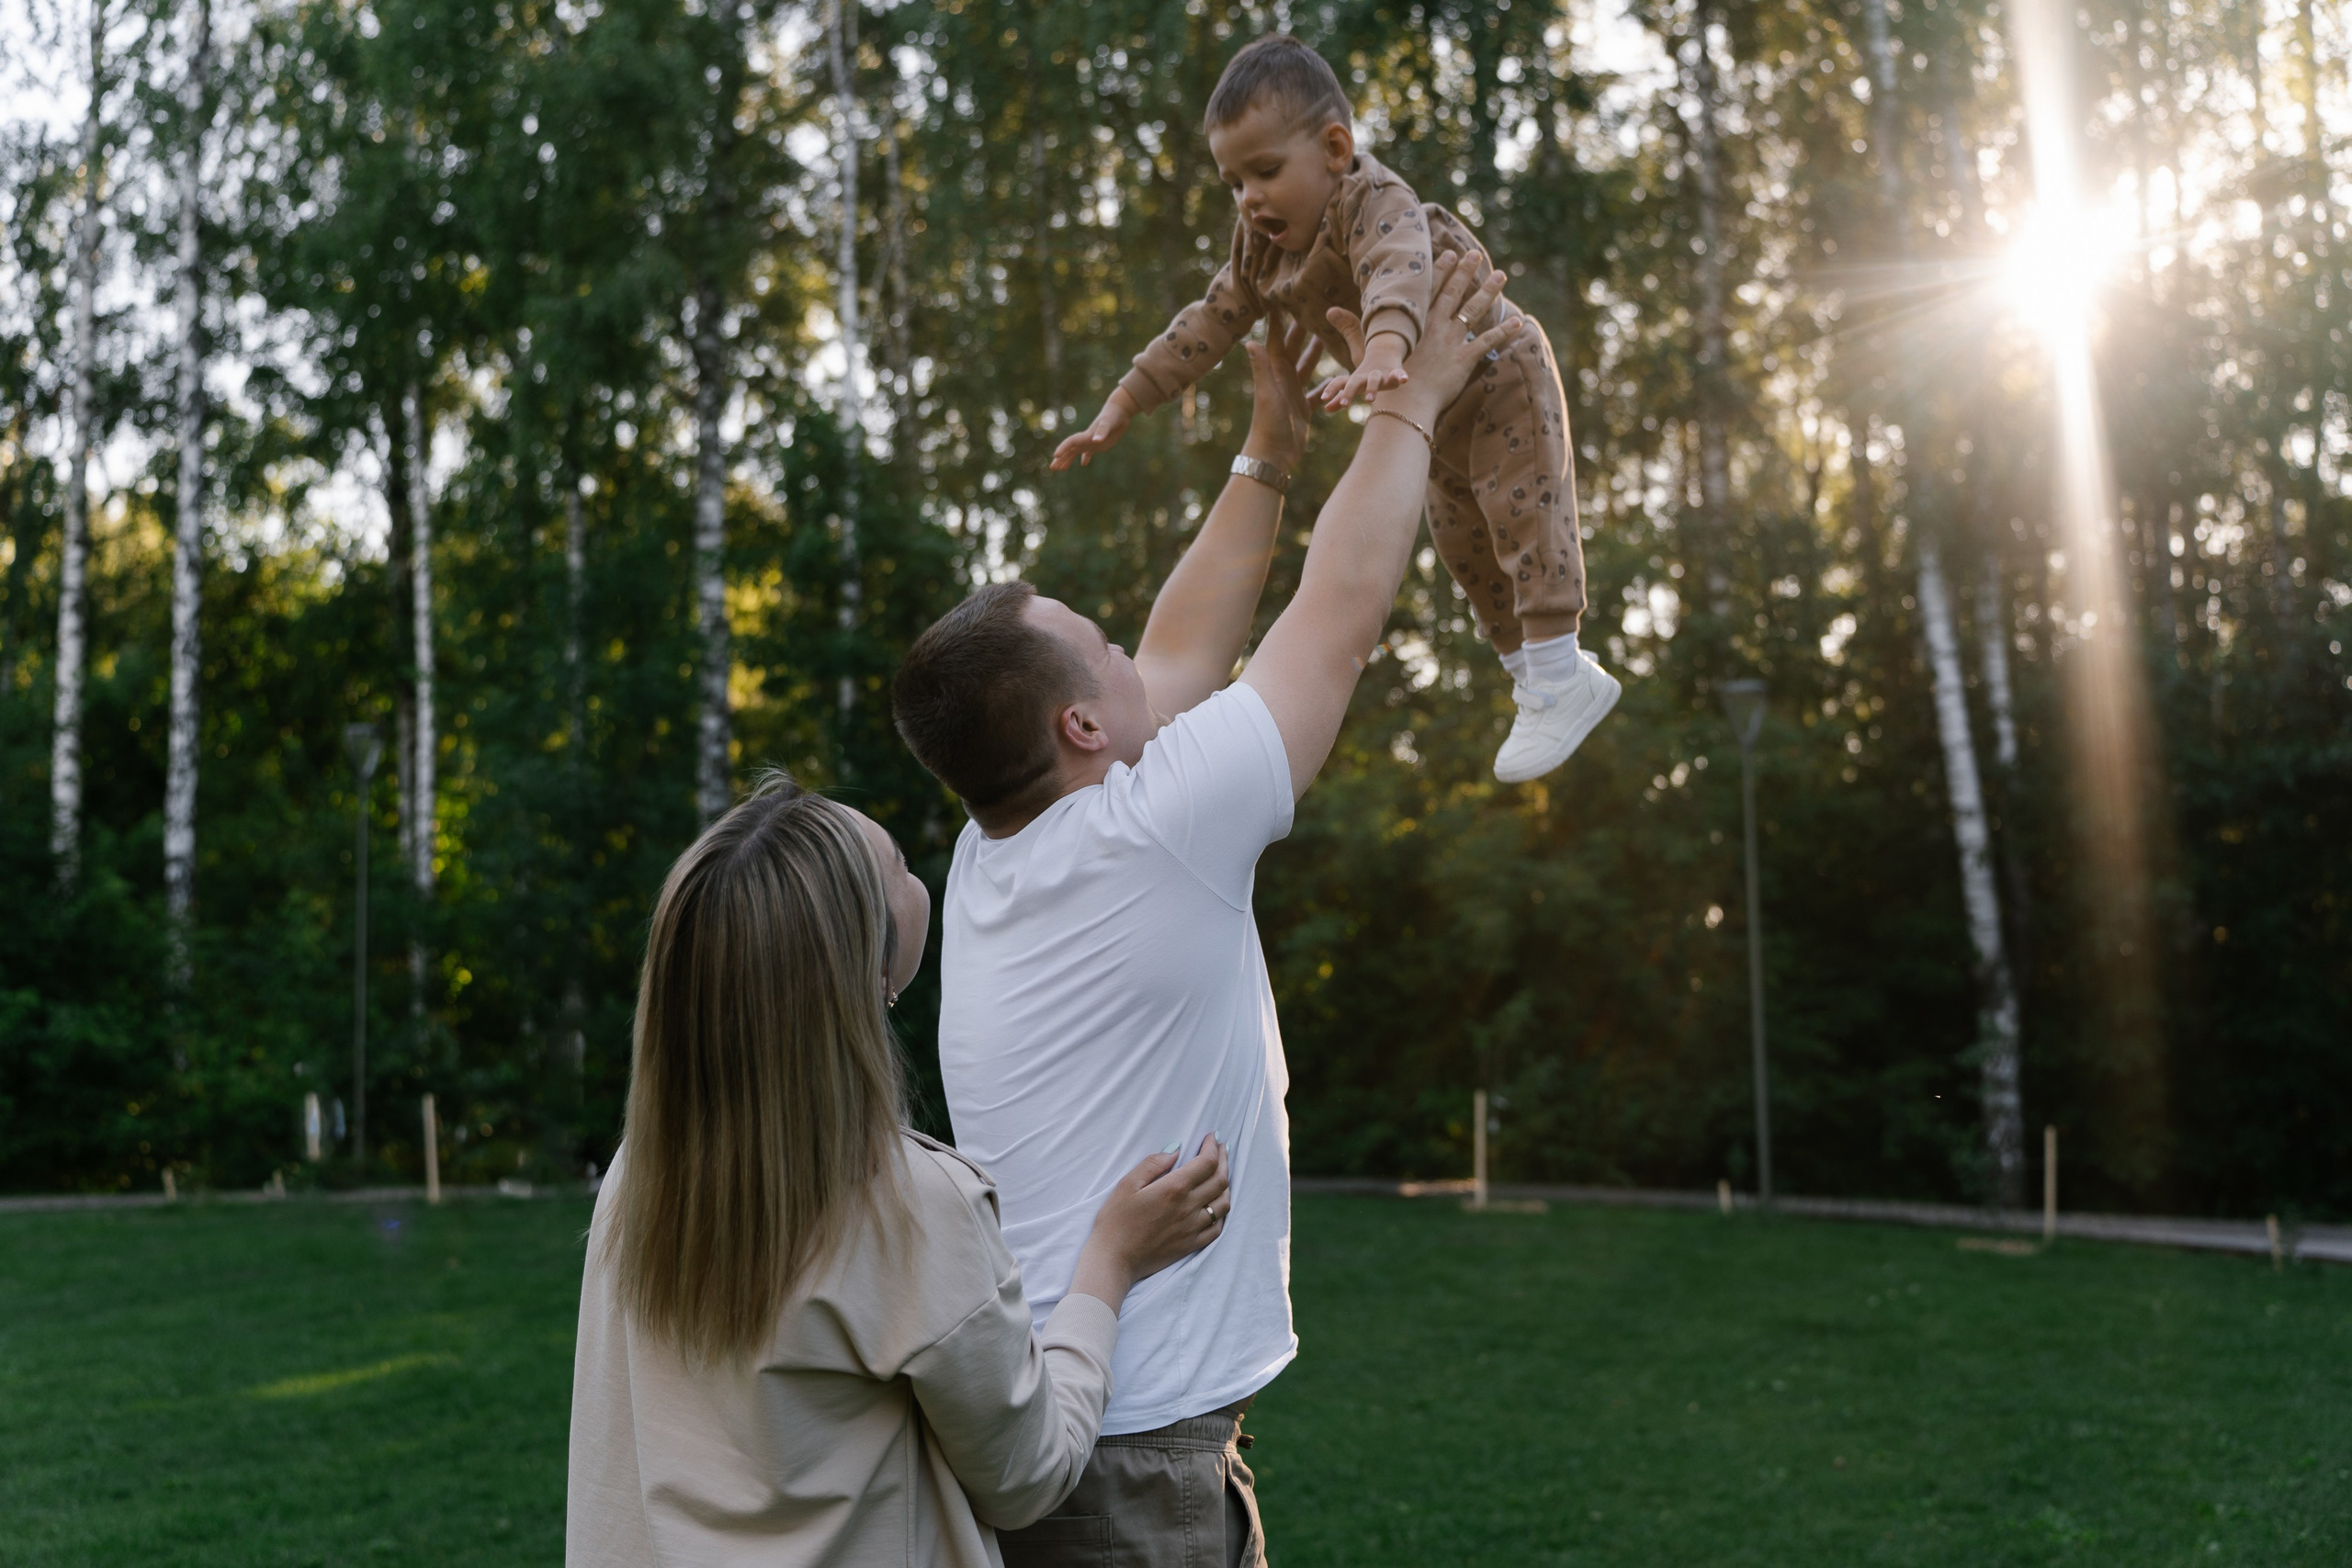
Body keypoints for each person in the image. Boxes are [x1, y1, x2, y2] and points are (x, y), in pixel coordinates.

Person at [892, 253, 1522, 1566]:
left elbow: (1175, 656)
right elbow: (1335, 620)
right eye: (1098, 645)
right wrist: (1417, 401)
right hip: (1135, 1465)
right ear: (1079, 723)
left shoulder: (995, 845)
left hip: (1077, 1421)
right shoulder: (1152, 827)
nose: (1134, 650)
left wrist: (1270, 452)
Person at [565, 774, 1234, 1567]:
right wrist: (1110, 1264)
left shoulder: (637, 1178)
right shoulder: (909, 1207)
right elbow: (1029, 1475)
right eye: (901, 866)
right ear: (865, 964)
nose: (924, 877)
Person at [1049, 33, 1620, 784]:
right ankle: (1538, 681)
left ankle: (1556, 664)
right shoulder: (1260, 248)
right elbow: (1206, 322)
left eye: (1266, 171)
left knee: (1523, 515)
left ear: (1335, 148)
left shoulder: (1372, 201)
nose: (1249, 198)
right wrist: (1125, 401)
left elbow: (1399, 270)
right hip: (1431, 414)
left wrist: (1384, 351)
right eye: (1232, 182)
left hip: (1497, 370)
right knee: (1464, 546)